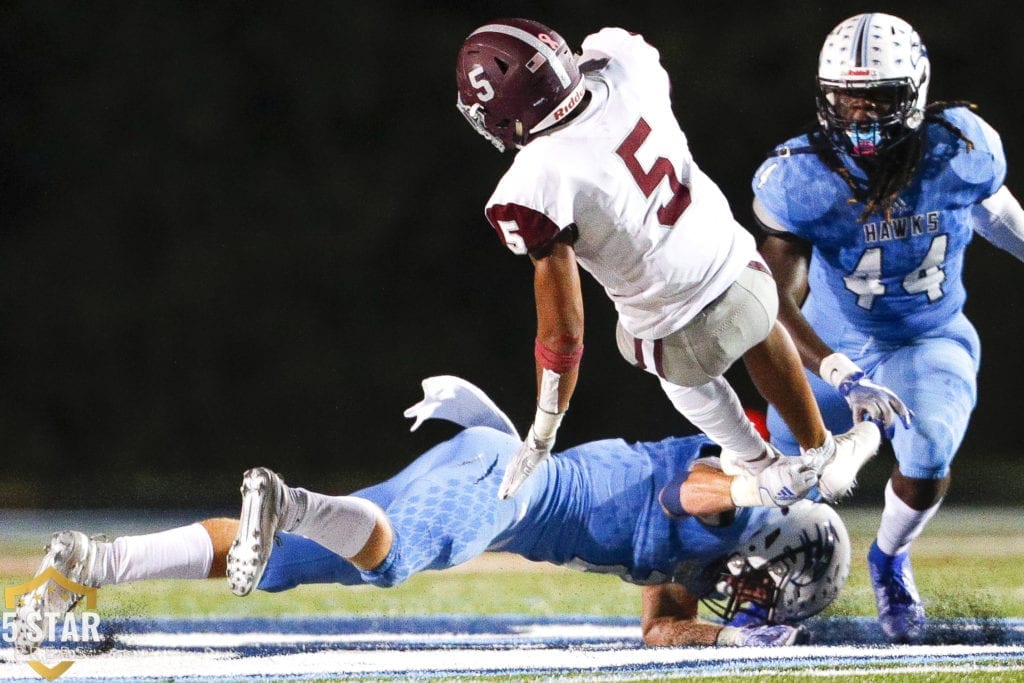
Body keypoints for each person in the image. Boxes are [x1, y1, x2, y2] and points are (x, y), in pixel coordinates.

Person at [13, 376, 851, 654]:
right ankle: (292, 498)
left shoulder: (691, 563)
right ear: (773, 542)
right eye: (764, 593)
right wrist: (761, 488)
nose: (747, 601)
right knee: (394, 559)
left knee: (285, 564)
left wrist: (731, 638)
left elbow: (660, 633)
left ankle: (88, 563)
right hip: (505, 484)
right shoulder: (728, 504)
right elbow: (697, 492)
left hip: (491, 467)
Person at [453, 19, 881, 501]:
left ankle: (761, 462)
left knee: (637, 340)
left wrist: (543, 432)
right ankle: (820, 450)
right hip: (747, 274)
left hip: (681, 335)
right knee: (754, 321)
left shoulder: (533, 179)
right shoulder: (626, 68)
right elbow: (608, 43)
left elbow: (564, 334)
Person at [751, 13, 1024, 643]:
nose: (861, 116)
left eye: (880, 99)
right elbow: (773, 296)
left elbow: (991, 209)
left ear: (917, 93)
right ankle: (773, 586)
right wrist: (835, 370)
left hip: (925, 337)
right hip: (827, 340)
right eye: (846, 99)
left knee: (928, 450)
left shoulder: (960, 150)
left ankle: (889, 560)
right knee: (785, 478)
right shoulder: (800, 176)